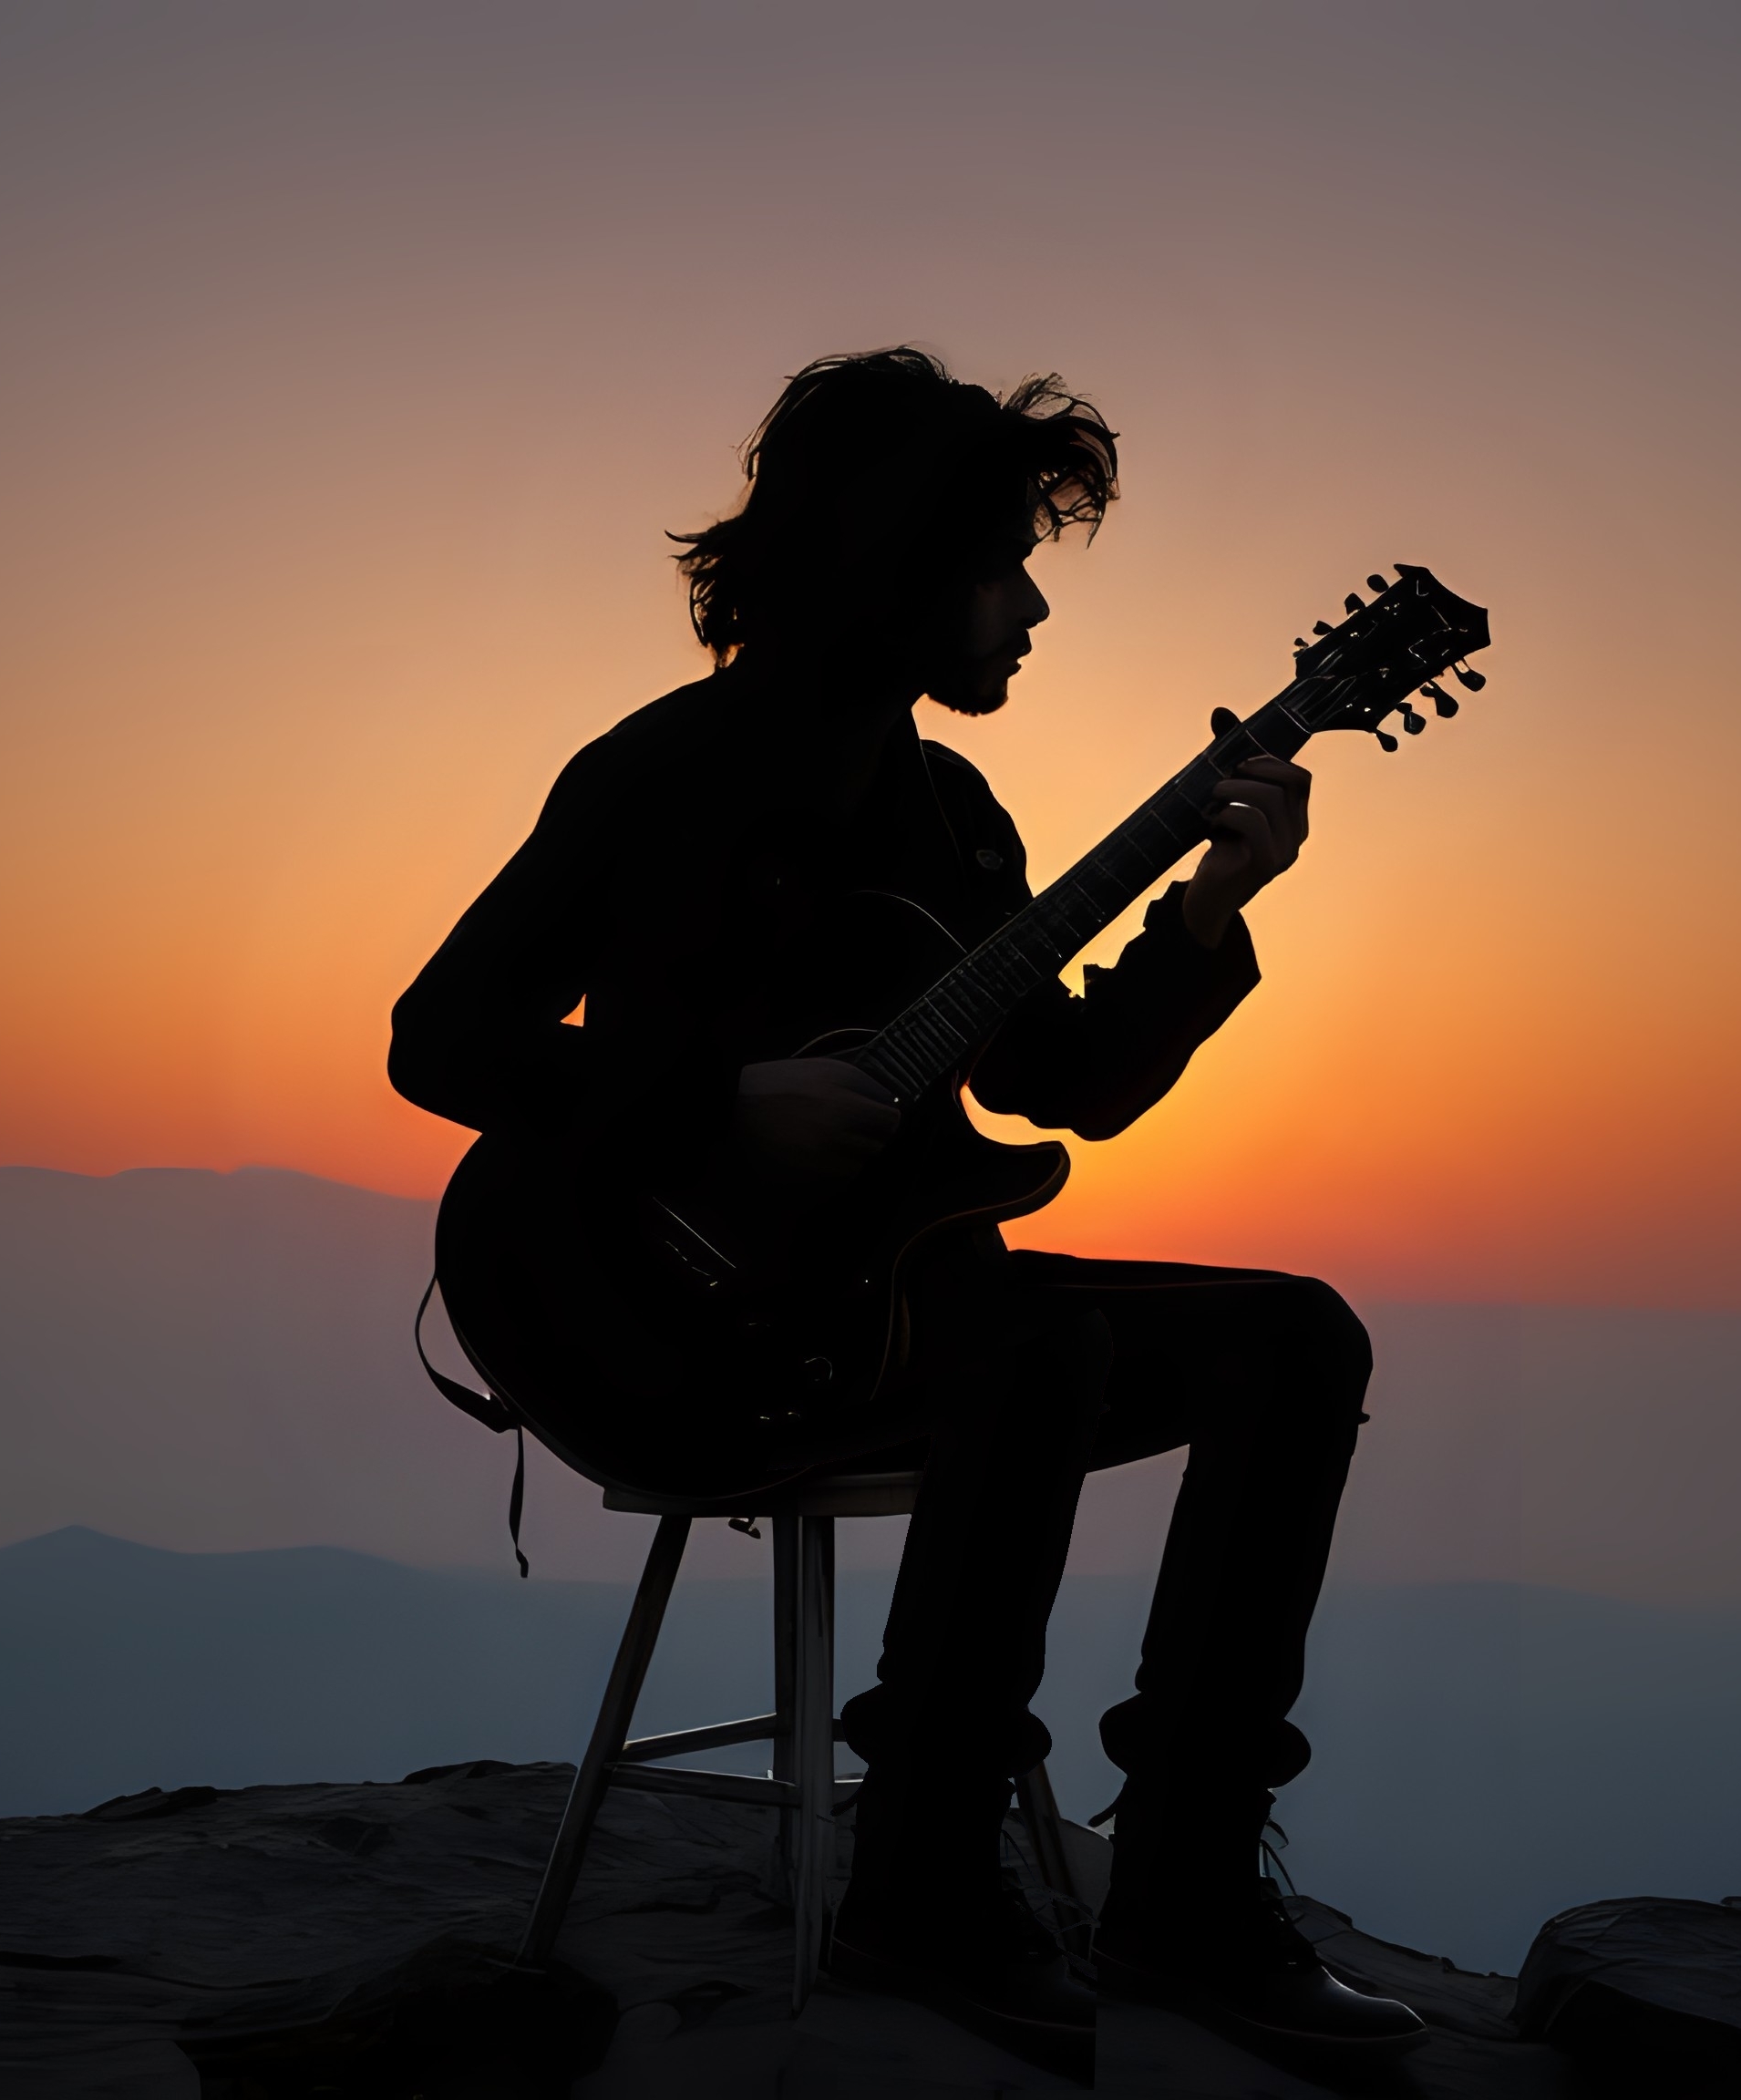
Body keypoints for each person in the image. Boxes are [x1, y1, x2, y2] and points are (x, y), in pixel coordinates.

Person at [387, 348, 1422, 2074]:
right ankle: (924, 1884)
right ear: (890, 566)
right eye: (1002, 563)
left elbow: (1065, 1088)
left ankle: (1184, 1891)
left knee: (1298, 1337)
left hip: (899, 1304)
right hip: (665, 1328)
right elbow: (444, 1039)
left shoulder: (954, 819)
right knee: (1041, 1342)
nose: (1029, 607)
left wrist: (1222, 901)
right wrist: (718, 1107)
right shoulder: (664, 771)